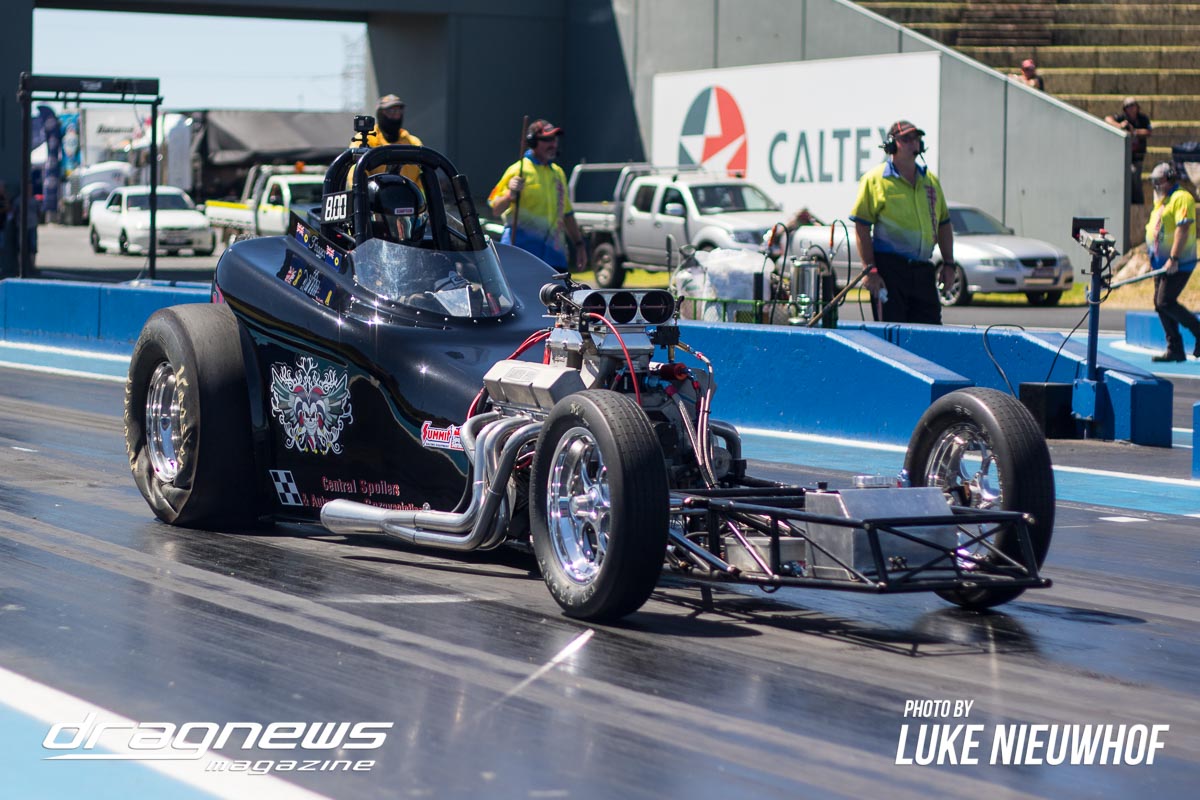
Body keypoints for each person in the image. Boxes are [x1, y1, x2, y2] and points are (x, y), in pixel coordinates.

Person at [850, 120, 956, 324]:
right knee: (893, 332)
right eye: (906, 139)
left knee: (930, 331)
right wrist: (870, 270)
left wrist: (949, 263)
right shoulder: (875, 179)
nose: (912, 143)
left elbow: (943, 224)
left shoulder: (930, 181)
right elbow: (861, 226)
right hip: (890, 271)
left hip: (923, 270)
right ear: (891, 145)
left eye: (916, 138)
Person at [488, 119, 587, 270]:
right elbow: (495, 209)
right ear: (532, 142)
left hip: (554, 257)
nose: (553, 144)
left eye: (554, 139)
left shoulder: (558, 173)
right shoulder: (518, 170)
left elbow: (567, 214)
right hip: (521, 255)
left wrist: (579, 245)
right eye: (547, 140)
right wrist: (509, 195)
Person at [1144, 162, 1200, 362]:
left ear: (1169, 179)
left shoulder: (1181, 198)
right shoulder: (1163, 201)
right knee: (1159, 304)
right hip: (1161, 265)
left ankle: (1198, 330)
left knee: (1165, 301)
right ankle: (1174, 348)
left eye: (1158, 181)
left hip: (1178, 262)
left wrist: (1173, 258)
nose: (1155, 185)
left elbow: (1182, 229)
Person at [349, 94, 422, 186]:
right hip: (374, 194)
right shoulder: (364, 140)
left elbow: (423, 179)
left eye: (399, 110)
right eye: (390, 111)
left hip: (409, 194)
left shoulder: (414, 143)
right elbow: (355, 174)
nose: (396, 115)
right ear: (380, 113)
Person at [1105, 97, 1152, 205]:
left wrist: (1134, 131)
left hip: (1137, 156)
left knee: (1135, 176)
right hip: (1124, 156)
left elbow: (1148, 132)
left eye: (1133, 106)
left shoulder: (1143, 119)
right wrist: (1120, 126)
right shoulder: (1123, 118)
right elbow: (1107, 119)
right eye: (1128, 107)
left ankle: (1139, 203)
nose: (1131, 109)